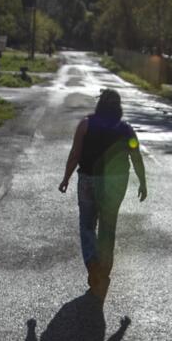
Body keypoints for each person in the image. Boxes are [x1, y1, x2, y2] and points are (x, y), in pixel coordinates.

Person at [58, 88, 148, 299]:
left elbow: (75, 154)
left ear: (99, 105)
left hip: (88, 180)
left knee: (87, 225)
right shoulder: (126, 130)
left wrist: (66, 178)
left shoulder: (85, 125)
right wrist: (142, 182)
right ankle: (104, 269)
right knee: (108, 226)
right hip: (116, 183)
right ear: (118, 108)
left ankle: (92, 265)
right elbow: (136, 156)